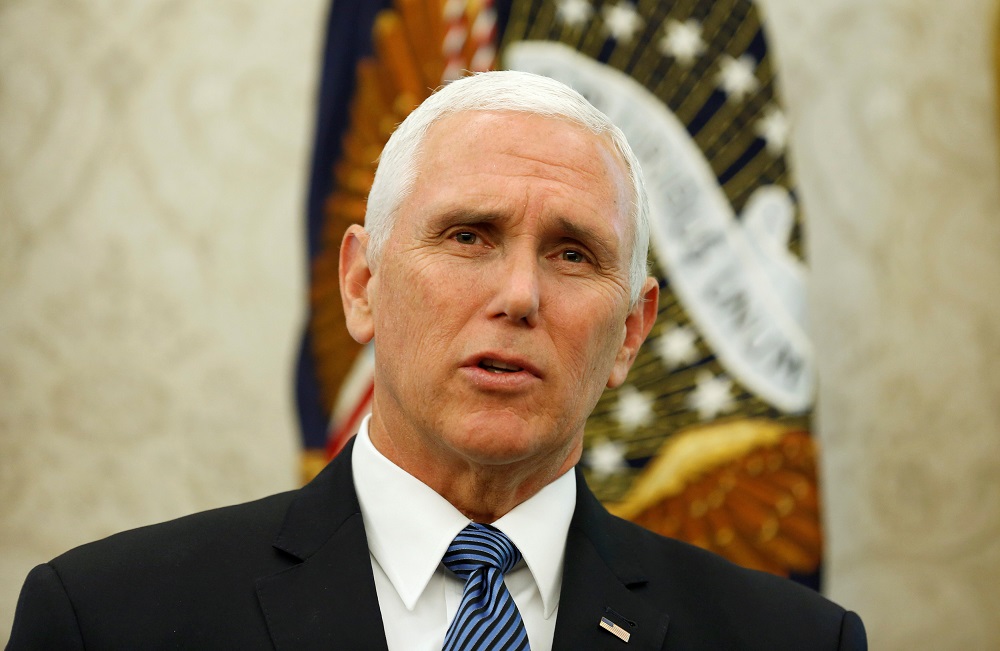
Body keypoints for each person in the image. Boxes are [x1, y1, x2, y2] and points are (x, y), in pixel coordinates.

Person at [7, 71, 866, 650]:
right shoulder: (108, 620)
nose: (520, 294)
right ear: (362, 283)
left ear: (632, 333)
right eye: (469, 236)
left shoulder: (791, 641)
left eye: (572, 253)